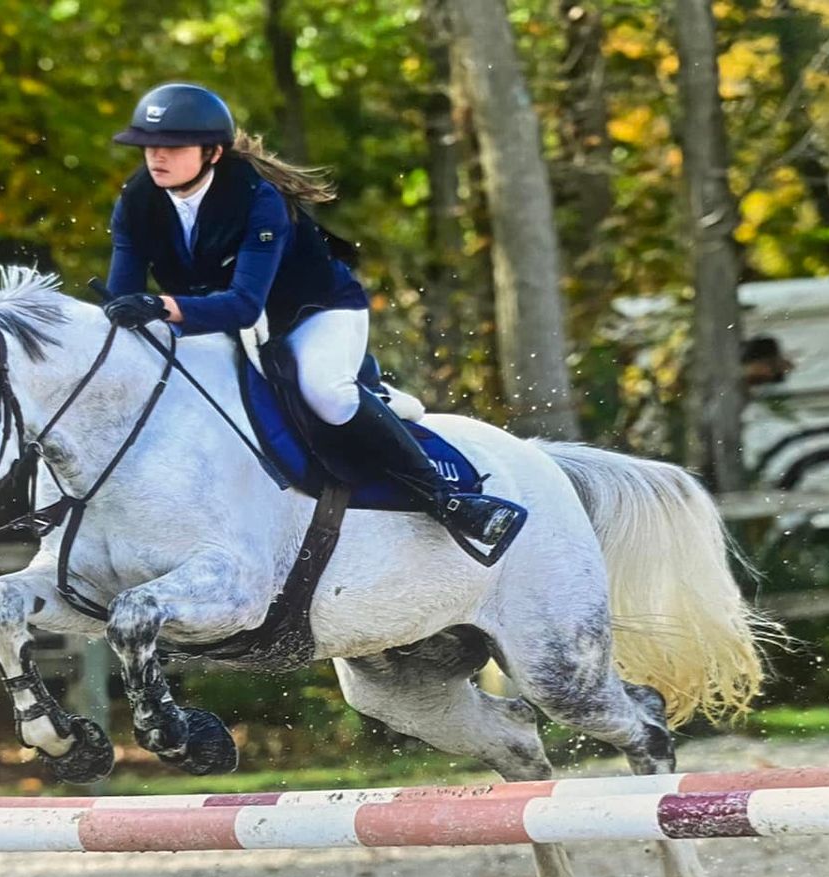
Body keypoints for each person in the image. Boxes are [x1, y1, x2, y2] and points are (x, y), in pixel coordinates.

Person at [102, 82, 525, 559]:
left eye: (171, 148)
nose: (156, 157)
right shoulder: (138, 200)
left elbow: (242, 303)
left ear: (212, 152)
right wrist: (126, 312)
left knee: (323, 390)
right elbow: (123, 295)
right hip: (219, 320)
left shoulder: (257, 199)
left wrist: (160, 307)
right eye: (148, 147)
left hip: (316, 312)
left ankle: (449, 500)